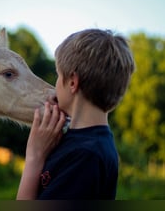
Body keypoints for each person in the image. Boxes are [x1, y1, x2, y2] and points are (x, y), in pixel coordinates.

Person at [16, 28, 135, 200]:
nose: (54, 85)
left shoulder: (85, 156)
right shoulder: (86, 144)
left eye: (58, 75)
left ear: (72, 82)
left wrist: (34, 156)